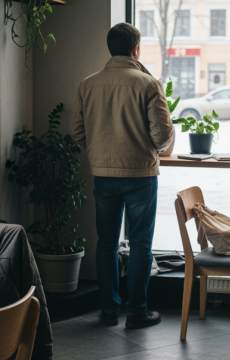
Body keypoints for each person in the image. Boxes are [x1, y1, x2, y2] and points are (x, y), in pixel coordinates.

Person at [70, 22, 174, 330]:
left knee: (106, 244)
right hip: (141, 174)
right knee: (140, 244)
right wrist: (157, 147)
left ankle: (108, 311)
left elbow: (76, 131)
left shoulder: (88, 84)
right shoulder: (148, 84)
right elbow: (162, 134)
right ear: (135, 49)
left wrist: (100, 151)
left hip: (103, 175)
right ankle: (137, 312)